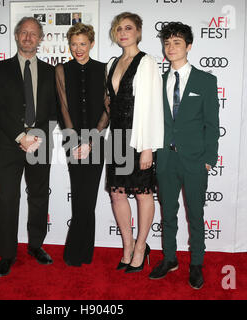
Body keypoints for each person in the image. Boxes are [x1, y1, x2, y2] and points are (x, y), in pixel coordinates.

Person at [149, 22, 220, 289]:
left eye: (177, 42)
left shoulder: (206, 80)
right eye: (167, 43)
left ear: (189, 46)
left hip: (194, 160)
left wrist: (209, 159)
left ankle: (196, 264)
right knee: (168, 213)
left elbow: (212, 125)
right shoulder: (158, 81)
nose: (171, 47)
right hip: (166, 158)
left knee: (196, 215)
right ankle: (169, 259)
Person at [0, 17, 57, 277]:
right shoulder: (0, 69)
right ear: (17, 36)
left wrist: (38, 137)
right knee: (8, 199)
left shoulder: (52, 72)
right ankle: (7, 254)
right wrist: (21, 136)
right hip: (9, 144)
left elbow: (54, 110)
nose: (28, 37)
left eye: (34, 33)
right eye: (24, 33)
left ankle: (36, 245)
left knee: (39, 196)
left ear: (41, 39)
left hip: (40, 142)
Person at [106, 12, 163, 273]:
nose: (123, 32)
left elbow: (152, 107)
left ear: (138, 32)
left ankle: (141, 246)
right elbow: (109, 104)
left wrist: (148, 146)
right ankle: (127, 246)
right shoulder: (112, 64)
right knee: (117, 193)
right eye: (118, 28)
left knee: (143, 194)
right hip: (116, 137)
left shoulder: (147, 62)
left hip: (139, 138)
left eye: (128, 28)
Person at [55, 23, 109, 267]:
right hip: (72, 142)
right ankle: (76, 252)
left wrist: (91, 140)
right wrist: (76, 141)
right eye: (74, 44)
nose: (78, 48)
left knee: (90, 198)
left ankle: (83, 251)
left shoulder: (103, 69)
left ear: (92, 44)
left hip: (97, 142)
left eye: (83, 43)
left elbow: (108, 107)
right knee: (79, 197)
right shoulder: (61, 70)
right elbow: (63, 107)